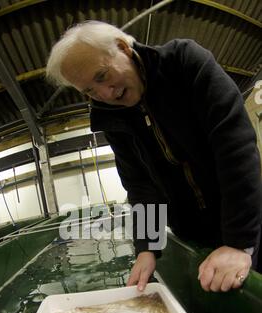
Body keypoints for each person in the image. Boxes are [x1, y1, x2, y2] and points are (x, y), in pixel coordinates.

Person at [46, 20, 262, 292]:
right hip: (191, 231)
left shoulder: (184, 62)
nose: (104, 94)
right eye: (88, 90)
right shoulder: (110, 117)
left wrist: (238, 242)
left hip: (245, 217)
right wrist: (147, 248)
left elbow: (234, 145)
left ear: (123, 48)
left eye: (101, 76)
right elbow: (140, 184)